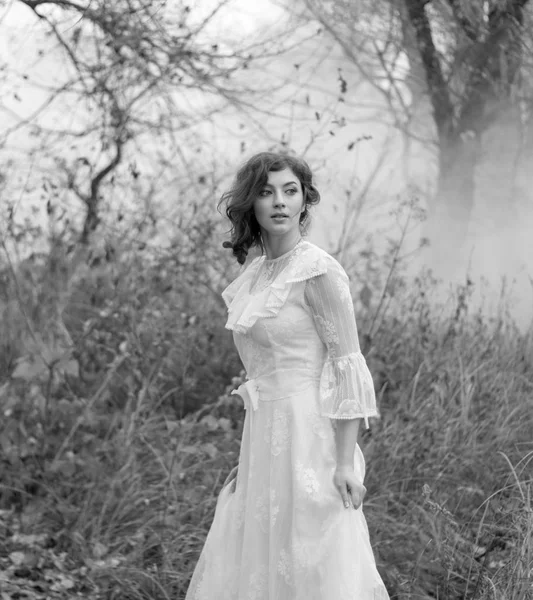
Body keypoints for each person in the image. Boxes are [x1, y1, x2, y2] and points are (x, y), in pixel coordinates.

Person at [185, 152, 389, 600]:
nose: (279, 201)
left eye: (290, 191)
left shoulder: (317, 270)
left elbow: (346, 365)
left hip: (311, 436)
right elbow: (262, 369)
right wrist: (250, 456)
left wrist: (342, 464)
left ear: (304, 201)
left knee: (314, 562)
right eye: (266, 191)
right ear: (251, 204)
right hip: (262, 437)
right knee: (259, 562)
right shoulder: (256, 274)